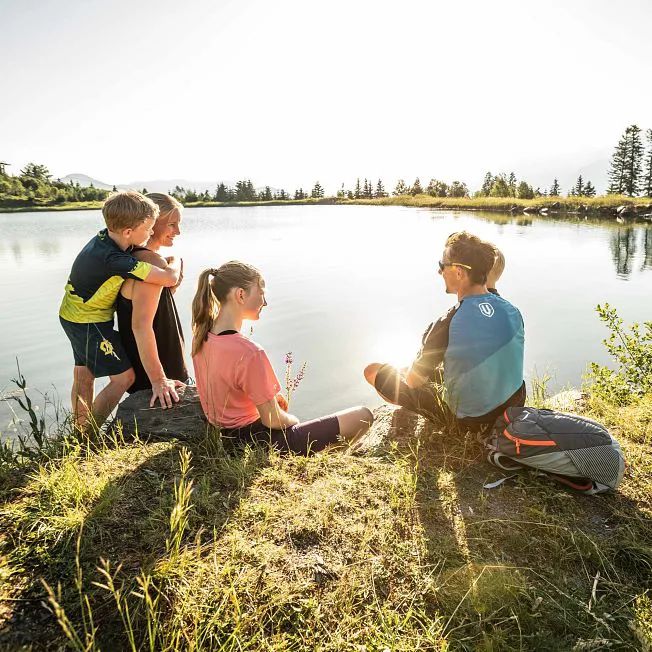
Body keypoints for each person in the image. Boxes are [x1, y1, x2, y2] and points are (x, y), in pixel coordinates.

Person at [191, 261, 373, 454]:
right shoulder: (250, 352)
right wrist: (293, 420)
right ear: (241, 295)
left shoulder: (202, 336)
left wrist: (266, 398)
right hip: (257, 442)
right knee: (363, 415)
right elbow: (273, 420)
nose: (265, 302)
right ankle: (331, 456)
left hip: (224, 437)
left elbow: (226, 386)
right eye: (261, 293)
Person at [364, 231, 525, 431]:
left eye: (442, 265)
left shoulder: (447, 323)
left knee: (373, 370)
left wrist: (424, 350)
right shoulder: (512, 310)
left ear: (458, 272)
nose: (440, 272)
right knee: (424, 370)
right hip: (514, 407)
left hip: (472, 421)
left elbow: (413, 382)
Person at [59, 191, 181, 432]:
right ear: (128, 231)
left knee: (84, 374)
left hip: (70, 315)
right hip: (90, 322)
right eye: (147, 229)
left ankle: (79, 432)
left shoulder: (106, 239)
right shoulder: (116, 259)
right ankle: (89, 433)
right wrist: (175, 261)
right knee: (124, 378)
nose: (149, 234)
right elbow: (168, 278)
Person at [117, 193, 188, 409]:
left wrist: (174, 267)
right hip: (159, 377)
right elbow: (141, 326)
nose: (178, 232)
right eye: (172, 224)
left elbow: (157, 307)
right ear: (152, 222)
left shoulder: (137, 257)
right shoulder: (150, 264)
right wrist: (159, 380)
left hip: (154, 370)